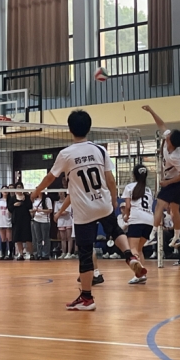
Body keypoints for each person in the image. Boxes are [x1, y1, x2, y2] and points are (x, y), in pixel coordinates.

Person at [32, 110, 146, 310]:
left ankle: (87, 298)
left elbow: (50, 178)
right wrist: (113, 200)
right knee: (115, 230)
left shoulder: (66, 154)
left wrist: (37, 191)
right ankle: (129, 256)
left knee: (85, 253)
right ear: (89, 128)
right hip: (103, 203)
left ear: (70, 129)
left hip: (84, 211)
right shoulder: (100, 150)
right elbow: (110, 180)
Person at [141, 105, 180, 249]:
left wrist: (168, 183)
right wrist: (151, 110)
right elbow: (161, 124)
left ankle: (153, 235)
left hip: (174, 181)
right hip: (171, 180)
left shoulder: (176, 157)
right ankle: (177, 237)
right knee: (174, 210)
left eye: (169, 137)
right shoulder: (168, 139)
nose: (167, 135)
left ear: (172, 142)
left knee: (160, 205)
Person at [121, 164, 154, 284]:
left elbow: (128, 206)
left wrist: (126, 216)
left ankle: (138, 273)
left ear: (134, 175)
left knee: (132, 249)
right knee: (139, 249)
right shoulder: (149, 190)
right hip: (149, 220)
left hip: (137, 219)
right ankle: (141, 276)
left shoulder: (130, 187)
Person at [9, 183, 33, 260]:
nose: (19, 188)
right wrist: (14, 205)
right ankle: (21, 254)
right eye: (17, 187)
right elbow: (10, 208)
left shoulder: (27, 197)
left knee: (27, 237)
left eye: (20, 187)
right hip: (16, 220)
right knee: (17, 237)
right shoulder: (12, 198)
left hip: (25, 220)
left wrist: (22, 202)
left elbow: (30, 206)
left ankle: (31, 253)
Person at [31, 192, 53, 260]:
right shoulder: (35, 200)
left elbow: (50, 210)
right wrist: (33, 211)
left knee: (45, 238)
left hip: (45, 221)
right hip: (36, 220)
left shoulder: (47, 199)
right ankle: (39, 253)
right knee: (38, 238)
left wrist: (41, 210)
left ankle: (45, 254)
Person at [0, 187, 13, 260]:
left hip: (8, 220)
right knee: (3, 238)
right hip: (1, 220)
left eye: (6, 189)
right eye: (3, 189)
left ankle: (10, 254)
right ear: (1, 191)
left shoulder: (10, 200)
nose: (5, 191)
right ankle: (3, 254)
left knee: (9, 238)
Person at [54, 190, 73, 259]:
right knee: (62, 238)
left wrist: (59, 212)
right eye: (59, 192)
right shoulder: (57, 203)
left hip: (68, 221)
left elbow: (67, 212)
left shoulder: (68, 201)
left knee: (69, 237)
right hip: (60, 222)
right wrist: (60, 212)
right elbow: (55, 213)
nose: (61, 193)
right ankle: (63, 252)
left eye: (62, 192)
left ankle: (69, 253)